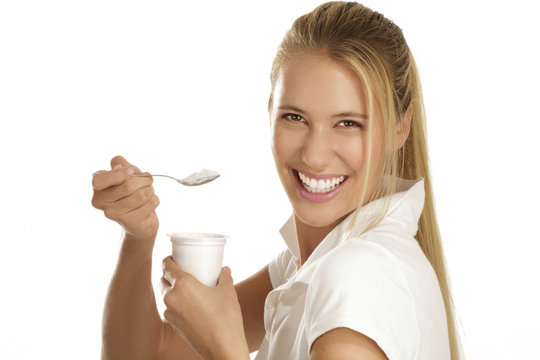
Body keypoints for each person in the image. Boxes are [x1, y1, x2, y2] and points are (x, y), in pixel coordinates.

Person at [91, 2, 461, 359]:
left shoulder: (356, 276)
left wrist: (224, 347)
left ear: (401, 127)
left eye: (349, 123)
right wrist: (139, 237)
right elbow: (145, 354)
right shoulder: (308, 264)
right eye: (295, 117)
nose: (315, 155)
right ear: (270, 112)